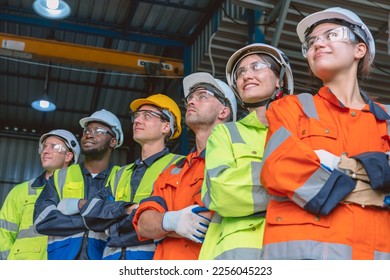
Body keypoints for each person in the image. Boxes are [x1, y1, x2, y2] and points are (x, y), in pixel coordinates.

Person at [260, 7, 390, 260]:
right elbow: (279, 166)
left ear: (359, 50)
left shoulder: (387, 118)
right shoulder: (291, 107)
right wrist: (375, 179)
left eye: (331, 34)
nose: (317, 44)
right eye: (311, 42)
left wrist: (328, 164)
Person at [199, 43, 294, 260]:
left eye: (257, 66)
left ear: (280, 80)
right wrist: (293, 187)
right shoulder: (226, 133)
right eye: (241, 72)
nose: (246, 75)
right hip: (237, 255)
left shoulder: (302, 130)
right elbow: (222, 193)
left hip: (292, 248)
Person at [133, 72, 237, 260]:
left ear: (224, 111)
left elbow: (204, 223)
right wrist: (172, 221)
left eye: (202, 96)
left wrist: (164, 224)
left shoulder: (237, 160)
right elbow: (143, 224)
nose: (191, 102)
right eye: (190, 98)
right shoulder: (174, 170)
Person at [78, 94, 184, 260]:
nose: (137, 121)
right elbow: (92, 215)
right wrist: (127, 209)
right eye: (136, 116)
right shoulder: (121, 173)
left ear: (166, 127)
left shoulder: (180, 166)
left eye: (147, 116)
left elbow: (173, 218)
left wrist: (114, 222)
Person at [33, 109, 123, 260]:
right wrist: (96, 217)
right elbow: (42, 221)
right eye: (87, 130)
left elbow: (125, 219)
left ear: (113, 141)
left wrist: (77, 210)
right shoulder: (61, 176)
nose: (89, 134)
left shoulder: (122, 177)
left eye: (98, 131)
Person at [0, 130, 80, 260]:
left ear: (68, 156)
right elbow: (3, 234)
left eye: (54, 146)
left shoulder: (79, 194)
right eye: (44, 146)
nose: (46, 151)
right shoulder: (21, 191)